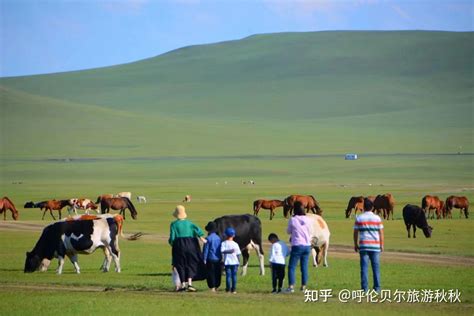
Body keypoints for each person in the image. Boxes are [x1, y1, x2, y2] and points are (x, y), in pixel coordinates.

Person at [168, 205, 206, 292]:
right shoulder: (190, 223)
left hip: (179, 245)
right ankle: (190, 283)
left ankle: (183, 284)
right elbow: (199, 231)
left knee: (180, 264)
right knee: (191, 263)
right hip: (191, 244)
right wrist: (201, 237)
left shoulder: (173, 224)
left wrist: (172, 243)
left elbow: (172, 238)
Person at [353, 198, 384, 293]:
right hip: (375, 246)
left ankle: (365, 289)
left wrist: (355, 244)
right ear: (372, 207)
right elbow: (381, 233)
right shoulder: (377, 218)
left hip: (364, 246)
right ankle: (377, 288)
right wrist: (381, 245)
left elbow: (355, 233)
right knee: (376, 268)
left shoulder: (359, 218)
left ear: (364, 207)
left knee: (364, 268)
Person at [286, 201, 312, 293]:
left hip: (297, 245)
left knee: (292, 267)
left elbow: (288, 231)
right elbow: (310, 231)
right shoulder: (308, 219)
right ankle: (303, 286)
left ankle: (291, 286)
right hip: (307, 245)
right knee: (304, 267)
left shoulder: (293, 219)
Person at [220, 227, 241, 294]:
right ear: (234, 235)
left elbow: (222, 251)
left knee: (228, 276)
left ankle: (228, 289)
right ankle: (234, 289)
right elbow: (238, 254)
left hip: (227, 262)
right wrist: (239, 262)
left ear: (226, 235)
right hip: (235, 262)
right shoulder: (235, 244)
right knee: (234, 276)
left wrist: (228, 251)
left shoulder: (224, 243)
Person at [203, 221, 222, 292]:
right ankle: (217, 285)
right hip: (218, 258)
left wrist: (204, 259)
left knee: (210, 273)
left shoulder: (208, 238)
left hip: (210, 258)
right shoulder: (218, 238)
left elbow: (206, 250)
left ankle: (212, 286)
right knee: (217, 272)